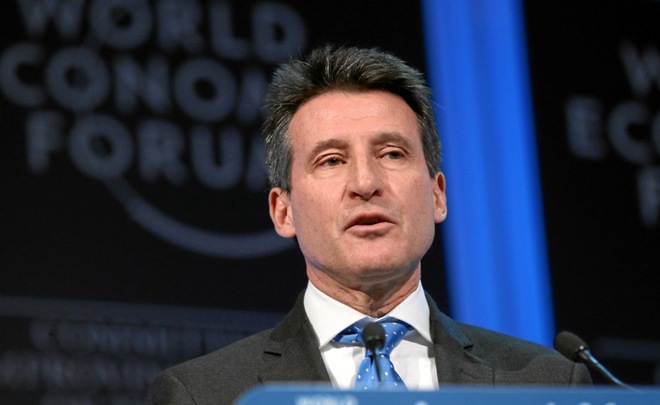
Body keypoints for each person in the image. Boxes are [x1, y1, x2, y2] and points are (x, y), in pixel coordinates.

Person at [147, 45, 591, 405]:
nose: (365, 183)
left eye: (392, 154)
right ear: (283, 211)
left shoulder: (548, 385)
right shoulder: (205, 395)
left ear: (437, 194)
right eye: (331, 160)